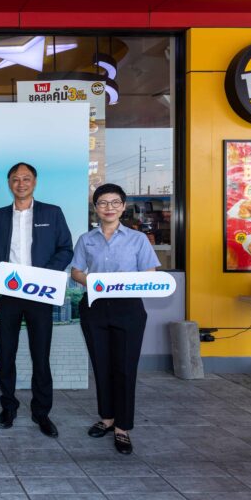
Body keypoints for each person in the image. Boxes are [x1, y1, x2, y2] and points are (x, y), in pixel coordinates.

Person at [70, 183, 160, 455]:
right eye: (102, 203)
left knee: (125, 367)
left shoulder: (138, 239)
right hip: (95, 307)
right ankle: (107, 418)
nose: (108, 208)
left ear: (123, 206)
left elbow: (150, 272)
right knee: (102, 365)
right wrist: (92, 281)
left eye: (114, 202)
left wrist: (123, 283)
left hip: (128, 308)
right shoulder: (86, 239)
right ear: (95, 208)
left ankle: (123, 427)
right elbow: (76, 271)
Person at [0, 162, 73, 437]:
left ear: (34, 182)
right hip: (8, 293)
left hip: (39, 293)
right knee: (6, 354)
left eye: (26, 178)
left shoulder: (52, 213)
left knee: (40, 355)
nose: (20, 183)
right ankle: (8, 407)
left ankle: (41, 412)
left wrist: (42, 276)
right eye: (15, 179)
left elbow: (65, 249)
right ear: (9, 183)